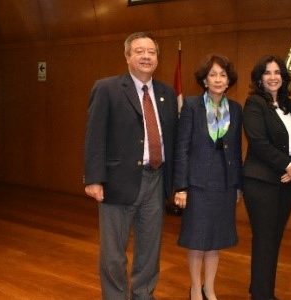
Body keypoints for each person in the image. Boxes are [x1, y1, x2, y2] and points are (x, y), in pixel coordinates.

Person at [84, 32, 178, 299]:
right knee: (113, 253)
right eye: (139, 51)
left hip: (156, 181)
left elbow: (171, 138)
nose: (146, 56)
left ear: (158, 59)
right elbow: (94, 136)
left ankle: (143, 295)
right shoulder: (107, 88)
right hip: (118, 181)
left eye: (151, 52)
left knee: (149, 251)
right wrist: (93, 178)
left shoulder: (166, 93)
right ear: (127, 57)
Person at [173, 54, 243, 300]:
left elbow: (235, 149)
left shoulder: (235, 108)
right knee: (197, 238)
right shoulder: (192, 106)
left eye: (222, 75)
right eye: (212, 74)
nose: (217, 79)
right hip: (197, 183)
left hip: (224, 182)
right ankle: (194, 288)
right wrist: (181, 187)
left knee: (215, 239)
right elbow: (181, 147)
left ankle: (209, 288)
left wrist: (237, 185)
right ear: (204, 80)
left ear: (228, 80)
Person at [243, 55, 291, 300]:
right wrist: (287, 165)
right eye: (267, 73)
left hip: (287, 183)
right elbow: (258, 142)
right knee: (265, 240)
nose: (273, 77)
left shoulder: (290, 106)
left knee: (274, 238)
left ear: (284, 77)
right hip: (261, 183)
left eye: (277, 72)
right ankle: (262, 295)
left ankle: (261, 290)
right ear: (260, 79)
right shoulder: (254, 104)